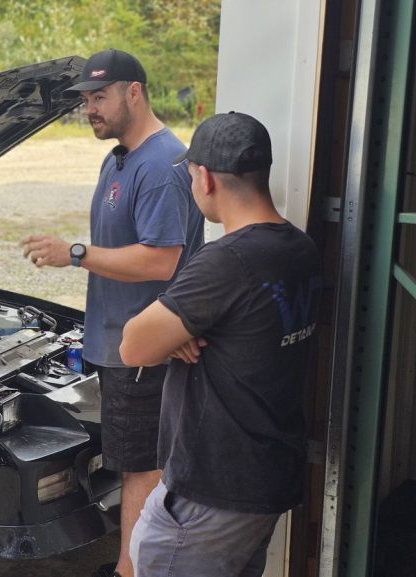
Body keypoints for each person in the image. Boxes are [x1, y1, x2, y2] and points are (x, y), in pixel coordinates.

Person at [20, 49, 203, 577]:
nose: (90, 109)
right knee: (135, 463)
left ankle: (130, 570)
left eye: (99, 97)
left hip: (142, 351)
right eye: (85, 100)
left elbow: (161, 258)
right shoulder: (120, 156)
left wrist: (75, 254)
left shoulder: (161, 165)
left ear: (134, 92)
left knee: (142, 468)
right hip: (120, 344)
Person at [120, 112, 321, 577]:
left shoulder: (227, 260)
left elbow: (134, 346)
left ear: (205, 178)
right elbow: (245, 333)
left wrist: (171, 334)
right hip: (264, 479)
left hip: (210, 490)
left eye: (191, 176)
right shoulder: (299, 248)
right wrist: (177, 335)